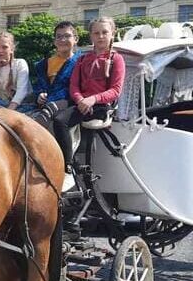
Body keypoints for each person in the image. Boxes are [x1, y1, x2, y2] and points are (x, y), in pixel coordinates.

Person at [53, 17, 125, 172]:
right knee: (57, 118)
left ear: (112, 33)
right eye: (96, 33)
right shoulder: (83, 59)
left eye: (104, 32)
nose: (100, 36)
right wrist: (80, 100)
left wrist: (93, 99)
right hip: (81, 104)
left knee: (63, 121)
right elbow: (74, 85)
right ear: (91, 36)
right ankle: (63, 160)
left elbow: (115, 90)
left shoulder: (116, 59)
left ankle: (68, 165)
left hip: (100, 106)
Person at [30, 21, 81, 126]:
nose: (62, 40)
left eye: (67, 36)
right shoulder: (43, 65)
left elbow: (77, 89)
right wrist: (39, 96)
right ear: (54, 41)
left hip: (68, 105)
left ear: (75, 39)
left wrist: (50, 99)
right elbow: (38, 86)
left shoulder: (81, 63)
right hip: (43, 105)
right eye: (59, 36)